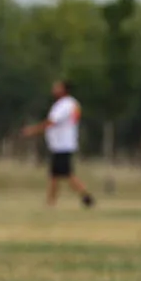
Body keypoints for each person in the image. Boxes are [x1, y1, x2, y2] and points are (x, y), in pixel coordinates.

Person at [21, 80, 95, 208]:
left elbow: (52, 122)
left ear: (64, 90)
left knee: (66, 174)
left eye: (57, 87)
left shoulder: (65, 105)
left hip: (62, 144)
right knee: (55, 175)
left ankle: (86, 197)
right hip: (60, 144)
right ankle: (51, 202)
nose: (53, 89)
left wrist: (33, 130)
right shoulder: (70, 104)